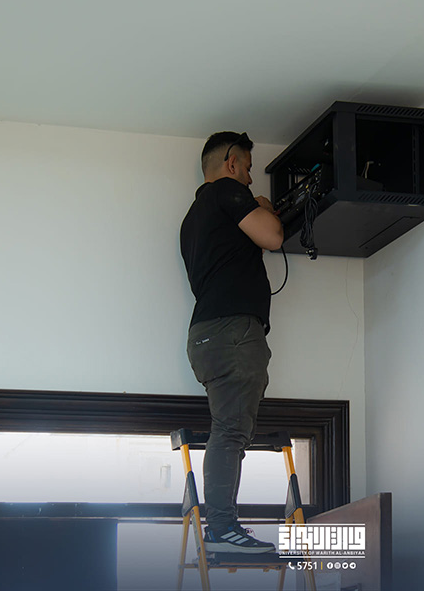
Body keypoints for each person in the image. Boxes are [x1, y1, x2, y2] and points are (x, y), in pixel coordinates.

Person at [179, 131, 284, 554]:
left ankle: (221, 527)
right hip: (232, 332)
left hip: (206, 336)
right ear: (232, 163)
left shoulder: (192, 218)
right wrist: (264, 206)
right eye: (249, 168)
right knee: (231, 430)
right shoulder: (226, 191)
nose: (251, 178)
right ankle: (222, 529)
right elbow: (272, 236)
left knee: (228, 428)